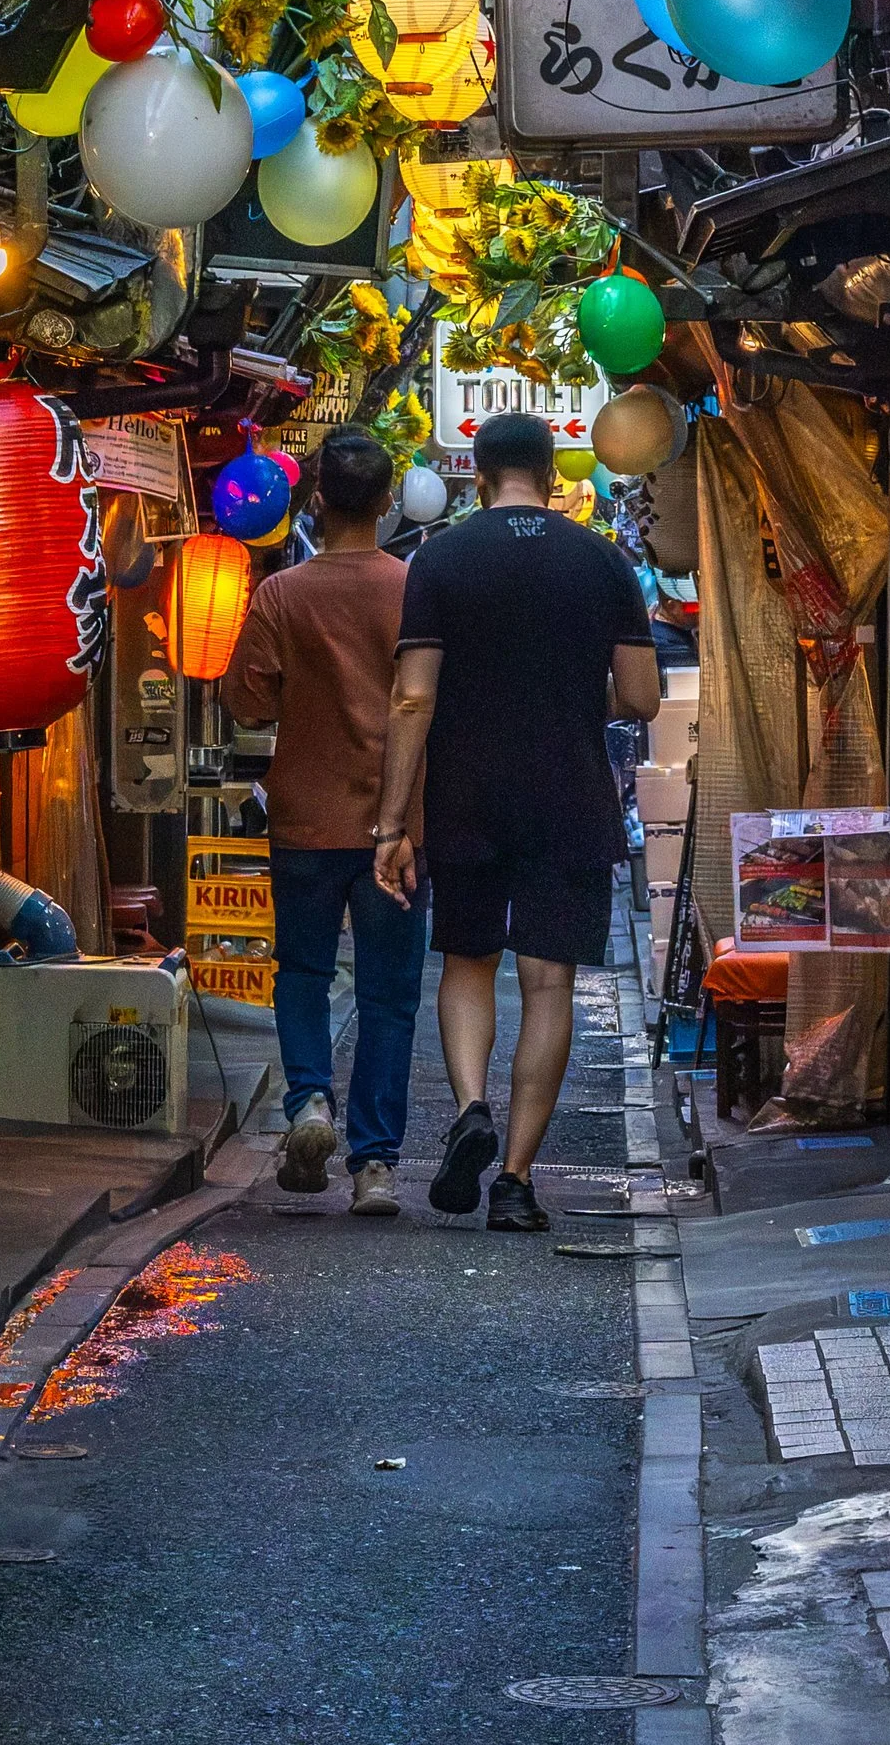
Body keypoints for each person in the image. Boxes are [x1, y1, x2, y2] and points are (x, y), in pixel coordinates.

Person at [374, 408, 661, 1231]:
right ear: (551, 472)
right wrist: (576, 701)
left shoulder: (442, 558)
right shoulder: (601, 561)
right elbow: (640, 698)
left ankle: (470, 1106)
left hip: (464, 788)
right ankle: (517, 1181)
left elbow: (412, 696)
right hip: (570, 789)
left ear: (477, 470)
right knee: (549, 981)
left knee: (467, 960)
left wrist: (392, 825)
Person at [222, 425, 428, 1216]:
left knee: (303, 973)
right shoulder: (414, 587)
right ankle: (374, 1164)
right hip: (398, 825)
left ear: (315, 500)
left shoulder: (282, 595)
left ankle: (309, 1101)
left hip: (304, 818)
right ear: (385, 504)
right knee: (388, 995)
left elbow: (247, 699)